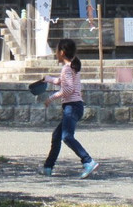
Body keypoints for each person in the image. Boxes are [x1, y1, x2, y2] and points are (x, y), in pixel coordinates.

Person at [41, 37, 99, 179]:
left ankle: (88, 161)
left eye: (56, 50)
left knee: (66, 136)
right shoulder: (73, 66)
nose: (56, 53)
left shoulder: (67, 68)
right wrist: (46, 78)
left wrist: (51, 98)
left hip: (72, 107)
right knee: (57, 136)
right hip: (75, 107)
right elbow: (60, 81)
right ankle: (48, 167)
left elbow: (68, 90)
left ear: (62, 52)